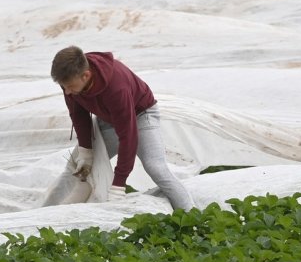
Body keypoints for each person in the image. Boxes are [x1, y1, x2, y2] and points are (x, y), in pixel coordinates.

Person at [48, 46, 195, 211]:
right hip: (108, 117)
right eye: (64, 86)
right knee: (79, 166)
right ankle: (54, 211)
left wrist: (119, 184)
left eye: (70, 86)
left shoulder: (116, 87)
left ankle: (193, 215)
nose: (67, 91)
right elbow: (79, 116)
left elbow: (128, 136)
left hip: (141, 115)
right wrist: (86, 152)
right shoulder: (70, 78)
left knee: (155, 167)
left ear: (86, 75)